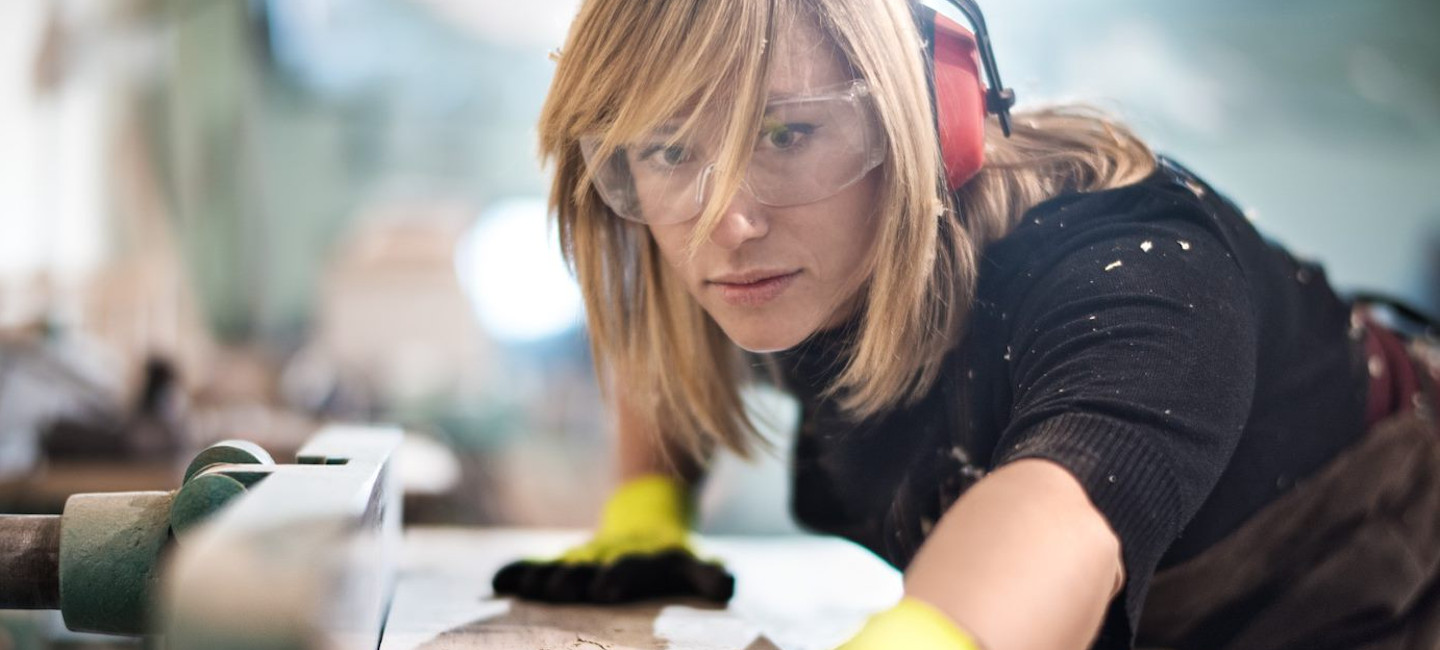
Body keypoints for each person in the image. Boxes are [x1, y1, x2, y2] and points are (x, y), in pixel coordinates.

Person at [491, 0, 1440, 648]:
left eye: (786, 134)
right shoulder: (773, 254)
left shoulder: (1140, 281)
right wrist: (645, 511)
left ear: (927, 122)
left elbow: (1053, 522)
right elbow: (666, 335)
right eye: (667, 148)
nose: (723, 224)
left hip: (1388, 571)